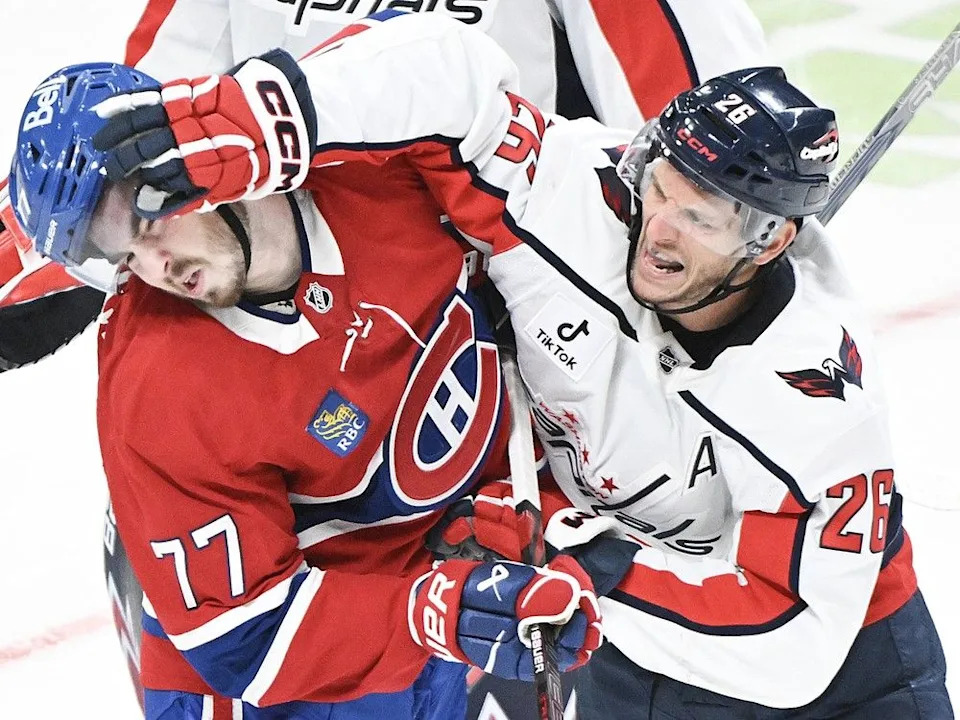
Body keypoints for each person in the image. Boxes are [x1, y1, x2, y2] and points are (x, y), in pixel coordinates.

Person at [64, 11, 952, 718]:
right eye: (664, 186)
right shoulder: (579, 199)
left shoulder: (815, 396)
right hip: (624, 665)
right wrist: (262, 119)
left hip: (844, 672)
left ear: (770, 240)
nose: (658, 228)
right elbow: (451, 70)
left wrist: (583, 561)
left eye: (703, 219)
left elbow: (793, 646)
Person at [9, 50, 604, 720]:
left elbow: (464, 70)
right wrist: (431, 611)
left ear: (198, 158)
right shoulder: (160, 390)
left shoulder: (371, 157)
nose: (155, 266)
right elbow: (243, 639)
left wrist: (514, 507)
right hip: (276, 675)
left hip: (421, 602)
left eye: (148, 226)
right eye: (123, 256)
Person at [0, 0, 766, 371]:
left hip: (512, 347)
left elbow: (713, 140)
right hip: (287, 331)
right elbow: (134, 142)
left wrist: (726, 273)